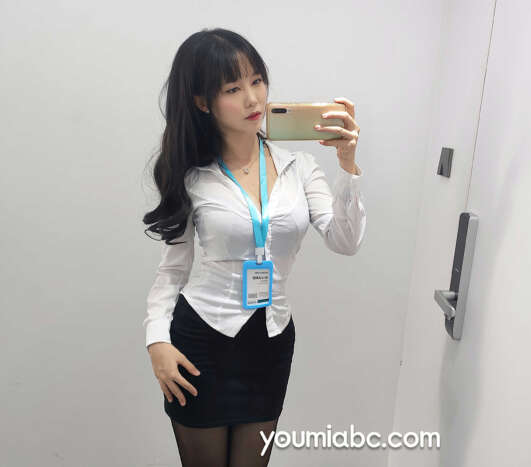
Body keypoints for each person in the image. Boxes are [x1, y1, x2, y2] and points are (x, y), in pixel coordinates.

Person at [141, 28, 366, 467]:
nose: (253, 99)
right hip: (199, 342)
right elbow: (172, 270)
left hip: (270, 341)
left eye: (257, 81)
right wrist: (156, 342)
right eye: (233, 88)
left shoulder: (300, 168)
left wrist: (347, 166)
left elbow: (346, 240)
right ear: (203, 102)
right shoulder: (191, 175)